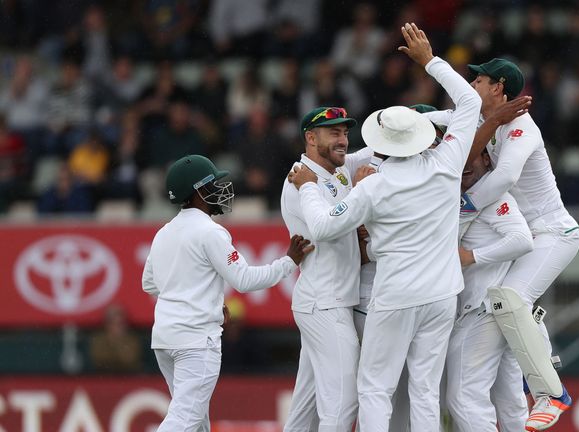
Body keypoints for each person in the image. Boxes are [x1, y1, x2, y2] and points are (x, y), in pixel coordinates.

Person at [289, 23, 482, 432]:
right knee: (425, 392)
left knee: (374, 389)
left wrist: (308, 187)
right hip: (444, 292)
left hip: (396, 294)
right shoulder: (446, 163)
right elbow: (469, 102)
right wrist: (429, 61)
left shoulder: (372, 186)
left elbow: (321, 227)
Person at [425, 57, 579, 431]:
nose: (472, 86)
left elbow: (506, 176)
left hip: (553, 233)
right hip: (530, 230)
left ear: (498, 87)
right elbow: (443, 117)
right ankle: (545, 376)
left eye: (478, 80)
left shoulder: (522, 128)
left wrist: (463, 207)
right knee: (508, 302)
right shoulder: (485, 120)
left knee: (507, 299)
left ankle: (552, 393)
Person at [142, 154, 313, 432]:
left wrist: (194, 297)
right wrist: (288, 262)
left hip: (164, 339)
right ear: (198, 191)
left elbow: (149, 283)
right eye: (212, 185)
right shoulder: (211, 232)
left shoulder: (164, 232)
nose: (220, 190)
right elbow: (244, 280)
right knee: (184, 419)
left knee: (196, 421)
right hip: (196, 340)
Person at [280, 105, 372, 432]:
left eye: (345, 132)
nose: (343, 140)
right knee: (344, 402)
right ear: (310, 137)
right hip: (324, 303)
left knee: (304, 411)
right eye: (334, 133)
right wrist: (362, 194)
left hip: (329, 301)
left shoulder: (338, 168)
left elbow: (381, 146)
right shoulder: (299, 180)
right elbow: (325, 228)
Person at [446, 149, 534, 431]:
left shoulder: (495, 197)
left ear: (487, 159)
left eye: (474, 155)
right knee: (510, 400)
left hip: (483, 310)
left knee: (464, 396)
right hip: (500, 312)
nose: (466, 165)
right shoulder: (466, 199)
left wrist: (471, 256)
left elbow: (522, 240)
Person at [89, 304, 142, 373]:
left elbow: (130, 360)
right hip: (102, 377)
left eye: (120, 323)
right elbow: (98, 360)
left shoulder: (132, 340)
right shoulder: (98, 340)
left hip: (127, 377)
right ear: (107, 324)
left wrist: (118, 342)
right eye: (113, 323)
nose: (117, 327)